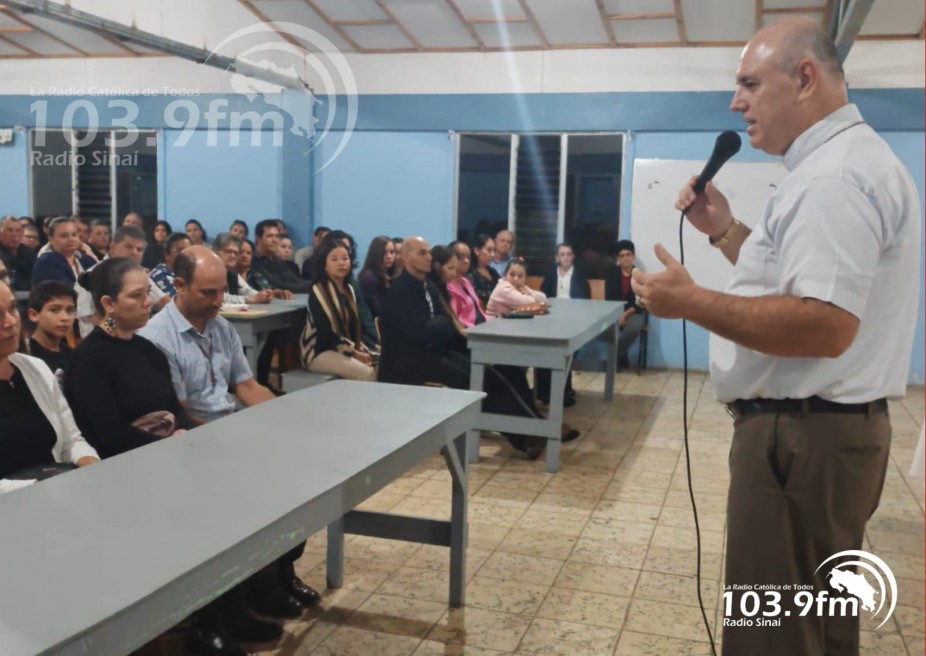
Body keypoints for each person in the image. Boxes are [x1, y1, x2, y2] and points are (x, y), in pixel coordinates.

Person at [630, 19, 920, 656]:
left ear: (806, 78)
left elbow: (823, 325)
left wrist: (690, 302)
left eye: (749, 84)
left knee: (775, 640)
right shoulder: (838, 166)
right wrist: (727, 230)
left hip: (802, 442)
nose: (737, 102)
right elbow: (795, 289)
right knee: (812, 628)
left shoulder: (832, 179)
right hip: (823, 437)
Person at [139, 246, 320, 641]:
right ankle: (221, 613)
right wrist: (236, 444)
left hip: (227, 434)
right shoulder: (157, 338)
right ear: (179, 286)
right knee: (237, 503)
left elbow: (246, 385)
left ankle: (273, 581)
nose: (219, 301)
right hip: (188, 443)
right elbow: (179, 411)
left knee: (296, 481)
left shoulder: (220, 327)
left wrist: (288, 423)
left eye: (222, 291)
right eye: (208, 293)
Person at [379, 237, 548, 458]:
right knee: (474, 377)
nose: (428, 256)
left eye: (428, 252)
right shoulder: (399, 291)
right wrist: (441, 326)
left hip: (433, 350)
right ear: (406, 257)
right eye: (422, 253)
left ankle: (533, 425)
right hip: (408, 361)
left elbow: (443, 323)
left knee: (496, 370)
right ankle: (524, 436)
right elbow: (421, 331)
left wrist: (441, 326)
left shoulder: (428, 286)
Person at [64, 258, 193, 459]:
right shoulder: (88, 360)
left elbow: (175, 407)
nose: (148, 302)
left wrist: (183, 431)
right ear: (108, 303)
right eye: (136, 296)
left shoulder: (150, 350)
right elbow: (109, 434)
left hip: (168, 453)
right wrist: (167, 445)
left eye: (148, 292)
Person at [0, 279, 99, 495]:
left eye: (12, 309)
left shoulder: (35, 368)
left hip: (56, 489)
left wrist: (93, 465)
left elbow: (71, 440)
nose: (10, 322)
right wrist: (39, 488)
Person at [299, 238, 376, 381]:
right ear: (324, 264)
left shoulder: (349, 290)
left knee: (380, 364)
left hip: (345, 348)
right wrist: (354, 353)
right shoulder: (318, 291)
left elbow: (356, 327)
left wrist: (365, 349)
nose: (341, 263)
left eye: (345, 258)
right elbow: (326, 335)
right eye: (334, 259)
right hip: (318, 350)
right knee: (368, 373)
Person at [76, 226, 170, 337]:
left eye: (139, 249)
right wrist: (127, 324)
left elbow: (164, 303)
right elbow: (94, 321)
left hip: (135, 339)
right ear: (112, 246)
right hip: (100, 342)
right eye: (129, 247)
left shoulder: (139, 275)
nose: (134, 253)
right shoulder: (91, 276)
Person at [604, 239, 645, 370]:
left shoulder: (639, 276)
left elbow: (640, 301)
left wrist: (625, 315)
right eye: (622, 256)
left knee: (633, 328)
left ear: (633, 257)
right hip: (614, 312)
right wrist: (618, 315)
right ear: (618, 258)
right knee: (607, 329)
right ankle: (621, 357)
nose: (625, 258)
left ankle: (614, 358)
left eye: (628, 255)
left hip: (634, 312)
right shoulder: (611, 274)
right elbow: (608, 298)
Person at [26, 281, 77, 376]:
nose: (65, 317)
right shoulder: (26, 355)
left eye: (70, 310)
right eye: (54, 310)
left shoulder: (74, 356)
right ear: (33, 315)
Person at [32, 217, 97, 286]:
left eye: (74, 235)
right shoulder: (46, 262)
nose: (71, 239)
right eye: (64, 236)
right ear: (50, 239)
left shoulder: (86, 259)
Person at [249, 219, 309, 294]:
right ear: (258, 238)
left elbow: (296, 280)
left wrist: (315, 285)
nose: (275, 240)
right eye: (269, 236)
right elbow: (278, 286)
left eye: (277, 236)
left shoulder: (278, 260)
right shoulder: (253, 261)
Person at [212, 233, 273, 305]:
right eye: (228, 251)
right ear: (215, 251)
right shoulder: (208, 271)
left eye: (235, 252)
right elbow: (217, 296)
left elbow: (246, 290)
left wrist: (264, 295)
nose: (232, 255)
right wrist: (249, 299)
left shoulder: (232, 273)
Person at [446, 240, 486, 328]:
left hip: (482, 326)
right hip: (468, 331)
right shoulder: (448, 286)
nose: (466, 261)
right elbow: (455, 319)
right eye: (461, 257)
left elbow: (478, 309)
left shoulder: (466, 281)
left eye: (468, 257)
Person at [358, 236, 395, 318]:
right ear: (376, 254)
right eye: (384, 253)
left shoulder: (391, 274)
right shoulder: (368, 277)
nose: (389, 256)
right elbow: (377, 309)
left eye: (392, 252)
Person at [0, 215, 37, 291]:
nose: (14, 234)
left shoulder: (29, 254)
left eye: (18, 230)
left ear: (22, 233)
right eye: (9, 230)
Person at [149, 232, 191, 297]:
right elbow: (180, 301)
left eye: (188, 251)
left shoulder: (184, 273)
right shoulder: (160, 274)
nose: (185, 255)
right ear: (167, 254)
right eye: (180, 250)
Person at [467, 234, 499, 309]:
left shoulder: (492, 271)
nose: (493, 254)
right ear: (477, 251)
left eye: (494, 250)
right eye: (489, 250)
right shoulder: (469, 273)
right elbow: (474, 294)